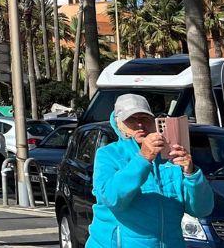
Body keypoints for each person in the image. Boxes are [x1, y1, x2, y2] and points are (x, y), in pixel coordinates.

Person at [87, 94, 213, 248]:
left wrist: (191, 174)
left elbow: (202, 209)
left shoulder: (170, 156)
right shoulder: (108, 154)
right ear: (119, 124)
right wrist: (143, 158)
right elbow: (112, 199)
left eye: (145, 118)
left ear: (154, 122)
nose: (140, 124)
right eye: (131, 119)